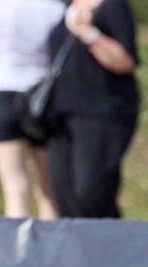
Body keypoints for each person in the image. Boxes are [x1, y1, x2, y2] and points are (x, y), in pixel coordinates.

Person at [0, 0, 64, 219]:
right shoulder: (55, 8)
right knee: (47, 188)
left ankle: (19, 251)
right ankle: (50, 251)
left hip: (2, 96)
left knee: (14, 187)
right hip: (41, 101)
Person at [46, 0, 139, 217]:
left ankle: (111, 244)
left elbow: (124, 61)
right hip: (61, 117)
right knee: (63, 191)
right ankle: (77, 248)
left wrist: (88, 33)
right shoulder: (66, 8)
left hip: (102, 113)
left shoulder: (113, 6)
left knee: (91, 191)